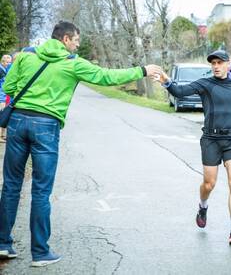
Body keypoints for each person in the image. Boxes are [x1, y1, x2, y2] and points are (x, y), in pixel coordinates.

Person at [0, 21, 163, 267]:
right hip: (46, 126)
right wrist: (142, 70)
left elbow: (9, 87)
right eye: (76, 40)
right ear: (66, 39)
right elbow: (107, 77)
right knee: (41, 191)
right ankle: (40, 252)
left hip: (17, 122)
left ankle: (3, 244)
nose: (77, 45)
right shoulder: (72, 63)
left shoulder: (24, 57)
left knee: (11, 186)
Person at [154, 50, 231, 245]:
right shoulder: (205, 84)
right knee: (209, 183)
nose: (215, 66)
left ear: (228, 64)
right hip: (211, 139)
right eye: (213, 63)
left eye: (219, 62)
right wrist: (167, 81)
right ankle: (203, 205)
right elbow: (180, 92)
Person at [0, 55, 12, 142]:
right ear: (3, 62)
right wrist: (2, 100)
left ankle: (2, 135)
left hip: (4, 96)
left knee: (3, 115)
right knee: (1, 116)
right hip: (1, 97)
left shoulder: (5, 70)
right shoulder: (1, 71)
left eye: (10, 62)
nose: (9, 64)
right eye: (7, 62)